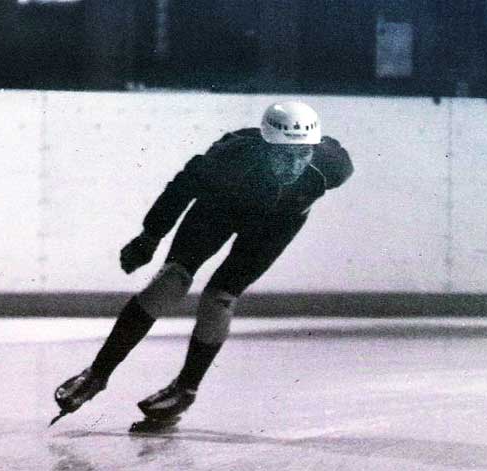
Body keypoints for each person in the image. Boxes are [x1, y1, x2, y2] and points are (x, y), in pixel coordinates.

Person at [52, 101, 353, 427]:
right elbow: (180, 189)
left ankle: (186, 388)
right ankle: (97, 374)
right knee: (169, 283)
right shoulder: (231, 156)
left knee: (220, 298)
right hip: (217, 212)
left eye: (303, 154)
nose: (294, 165)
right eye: (283, 155)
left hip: (272, 227)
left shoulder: (333, 166)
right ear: (265, 147)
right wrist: (149, 237)